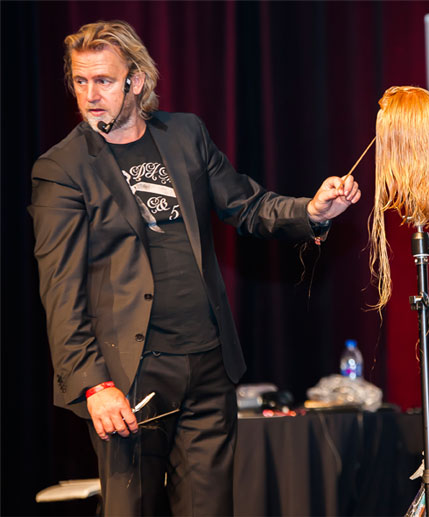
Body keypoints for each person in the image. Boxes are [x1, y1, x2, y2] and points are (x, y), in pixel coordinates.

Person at [29, 20, 360, 516]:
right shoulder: (62, 168)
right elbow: (60, 291)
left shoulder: (185, 134)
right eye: (80, 81)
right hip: (129, 375)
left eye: (103, 80)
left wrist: (311, 211)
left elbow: (247, 205)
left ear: (136, 81)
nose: (90, 95)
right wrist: (94, 384)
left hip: (207, 365)